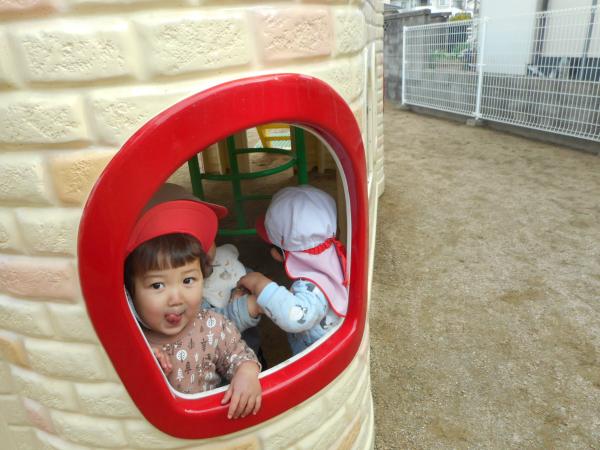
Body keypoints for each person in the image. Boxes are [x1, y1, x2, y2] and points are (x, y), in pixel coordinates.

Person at [124, 193, 261, 419]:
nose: (176, 298)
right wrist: (140, 363)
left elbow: (241, 356)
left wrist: (246, 373)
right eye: (157, 285)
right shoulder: (128, 337)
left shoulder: (213, 326)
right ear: (130, 291)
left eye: (188, 280)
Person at [237, 185, 349, 355]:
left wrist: (260, 284)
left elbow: (294, 317)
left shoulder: (311, 288)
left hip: (317, 356)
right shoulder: (337, 256)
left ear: (279, 253)